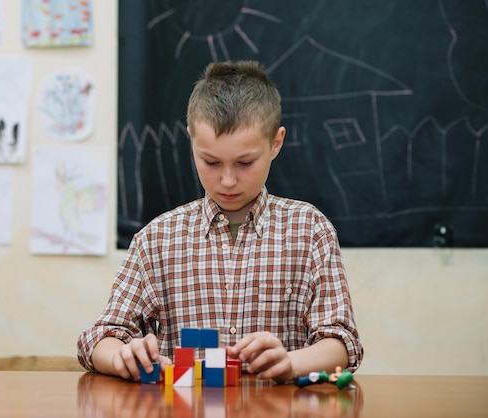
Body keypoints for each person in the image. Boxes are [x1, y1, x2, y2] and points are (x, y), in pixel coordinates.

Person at [77, 60, 363, 383]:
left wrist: (292, 362)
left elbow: (342, 343)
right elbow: (98, 339)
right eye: (211, 161)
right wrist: (122, 355)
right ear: (192, 142)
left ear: (276, 143)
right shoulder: (156, 240)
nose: (227, 180)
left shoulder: (311, 231)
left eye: (245, 162)